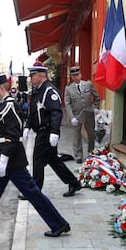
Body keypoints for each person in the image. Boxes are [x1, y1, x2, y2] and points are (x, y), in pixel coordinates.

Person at [0, 73, 70, 245]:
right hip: (0, 159)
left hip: (12, 161)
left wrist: (4, 159)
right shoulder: (1, 105)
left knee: (33, 194)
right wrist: (0, 160)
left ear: (1, 88)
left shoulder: (11, 106)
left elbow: (13, 136)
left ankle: (59, 224)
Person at [22, 61, 82, 198]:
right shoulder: (37, 91)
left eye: (32, 75)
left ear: (40, 75)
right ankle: (74, 183)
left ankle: (35, 192)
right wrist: (27, 126)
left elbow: (56, 113)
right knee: (53, 160)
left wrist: (54, 132)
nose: (31, 79)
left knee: (37, 160)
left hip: (47, 132)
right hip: (41, 131)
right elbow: (33, 112)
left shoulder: (49, 91)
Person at [64, 66, 100, 163]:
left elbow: (96, 96)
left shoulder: (88, 84)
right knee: (77, 136)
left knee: (91, 135)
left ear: (81, 75)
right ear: (71, 77)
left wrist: (96, 108)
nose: (76, 77)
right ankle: (78, 156)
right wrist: (72, 118)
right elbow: (68, 104)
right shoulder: (68, 89)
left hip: (89, 113)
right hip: (77, 115)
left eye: (77, 75)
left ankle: (91, 152)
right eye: (74, 75)